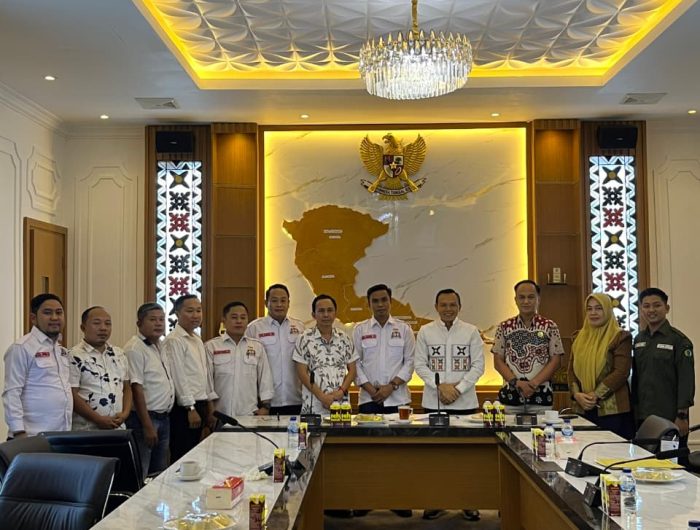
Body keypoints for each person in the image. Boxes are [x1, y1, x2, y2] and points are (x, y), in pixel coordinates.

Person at [415, 288, 484, 522]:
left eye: (452, 305)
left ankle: (468, 502)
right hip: (434, 403)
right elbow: (420, 365)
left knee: (465, 456)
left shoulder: (471, 331)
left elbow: (478, 366)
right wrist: (440, 387)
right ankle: (435, 501)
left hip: (465, 404)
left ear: (459, 307)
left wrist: (458, 389)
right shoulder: (426, 332)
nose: (448, 309)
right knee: (435, 456)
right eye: (443, 305)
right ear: (436, 307)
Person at [354, 283, 414, 519]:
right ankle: (366, 500)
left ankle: (398, 500)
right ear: (368, 304)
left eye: (384, 300)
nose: (380, 304)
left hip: (398, 400)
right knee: (368, 453)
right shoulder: (359, 330)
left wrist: (391, 386)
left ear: (390, 301)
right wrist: (370, 388)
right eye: (375, 301)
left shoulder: (404, 329)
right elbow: (355, 364)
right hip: (368, 400)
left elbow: (410, 362)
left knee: (398, 453)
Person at [3, 293, 72, 438]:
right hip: (30, 437)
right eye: (47, 313)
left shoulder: (62, 351)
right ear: (33, 318)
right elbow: (12, 392)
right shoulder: (21, 348)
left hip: (60, 436)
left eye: (59, 312)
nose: (55, 317)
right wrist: (18, 432)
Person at [632, 288, 694, 449]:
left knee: (671, 461)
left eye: (657, 305)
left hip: (671, 417)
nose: (651, 310)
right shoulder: (638, 340)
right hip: (644, 417)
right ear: (641, 309)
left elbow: (686, 381)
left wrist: (682, 416)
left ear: (667, 308)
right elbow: (637, 378)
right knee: (644, 460)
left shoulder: (679, 341)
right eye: (646, 306)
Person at [568, 294, 635, 439]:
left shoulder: (620, 337)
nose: (593, 313)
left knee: (611, 450)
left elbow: (621, 372)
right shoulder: (578, 337)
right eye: (589, 309)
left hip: (612, 411)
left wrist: (595, 395)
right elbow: (571, 370)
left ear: (608, 310)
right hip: (583, 407)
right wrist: (577, 394)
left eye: (599, 308)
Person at [492, 280, 564, 414]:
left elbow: (556, 361)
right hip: (510, 398)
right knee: (508, 428)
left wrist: (534, 384)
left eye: (531, 297)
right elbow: (498, 361)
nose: (526, 301)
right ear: (515, 300)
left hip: (541, 398)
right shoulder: (504, 327)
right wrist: (517, 383)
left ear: (538, 299)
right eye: (522, 297)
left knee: (542, 428)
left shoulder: (550, 326)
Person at [123, 302, 174, 479]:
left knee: (159, 472)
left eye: (161, 319)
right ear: (139, 323)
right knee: (141, 471)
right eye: (152, 320)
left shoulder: (160, 345)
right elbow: (136, 388)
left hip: (163, 417)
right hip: (145, 419)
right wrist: (147, 425)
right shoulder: (134, 348)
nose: (158, 323)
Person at [164, 294, 217, 461]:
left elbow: (204, 374)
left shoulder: (197, 339)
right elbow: (178, 376)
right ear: (177, 314)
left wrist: (209, 404)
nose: (195, 315)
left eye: (198, 310)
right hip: (184, 408)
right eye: (190, 311)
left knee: (198, 455)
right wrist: (190, 408)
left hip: (200, 403)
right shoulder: (174, 340)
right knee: (183, 456)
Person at [206, 301, 273, 419]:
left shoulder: (257, 347)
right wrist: (211, 411)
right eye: (234, 317)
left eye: (243, 317)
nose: (239, 321)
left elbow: (265, 379)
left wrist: (265, 407)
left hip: (250, 415)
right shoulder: (211, 346)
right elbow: (207, 381)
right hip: (220, 415)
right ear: (224, 320)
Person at [246, 284, 305, 415]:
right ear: (266, 303)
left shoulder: (300, 327)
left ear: (289, 303)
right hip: (265, 403)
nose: (279, 304)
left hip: (296, 399)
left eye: (283, 300)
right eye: (274, 300)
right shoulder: (254, 328)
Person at [70, 306, 132, 431]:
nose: (103, 328)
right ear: (83, 327)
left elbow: (126, 388)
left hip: (118, 429)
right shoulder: (73, 356)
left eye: (108, 323)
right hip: (87, 430)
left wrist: (125, 414)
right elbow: (72, 394)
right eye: (96, 323)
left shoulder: (119, 354)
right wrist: (97, 419)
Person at [293, 294, 357, 414]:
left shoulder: (344, 338)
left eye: (329, 310)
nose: (326, 315)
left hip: (341, 405)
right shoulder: (304, 338)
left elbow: (352, 370)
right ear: (313, 315)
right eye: (321, 311)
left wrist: (341, 391)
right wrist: (322, 397)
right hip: (313, 406)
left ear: (335, 313)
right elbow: (302, 373)